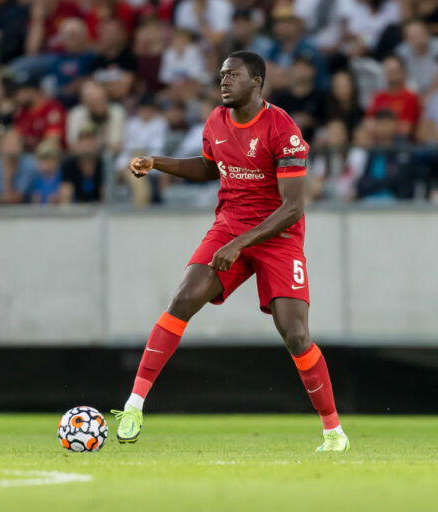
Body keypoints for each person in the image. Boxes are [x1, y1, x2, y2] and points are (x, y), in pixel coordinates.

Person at [110, 51, 349, 452]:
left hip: (278, 236)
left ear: (256, 82)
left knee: (295, 334)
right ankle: (134, 405)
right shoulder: (216, 121)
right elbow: (209, 167)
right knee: (183, 298)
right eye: (221, 74)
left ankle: (333, 432)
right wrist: (157, 163)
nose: (223, 81)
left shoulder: (283, 128)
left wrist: (239, 245)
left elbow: (293, 208)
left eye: (233, 75)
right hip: (230, 224)